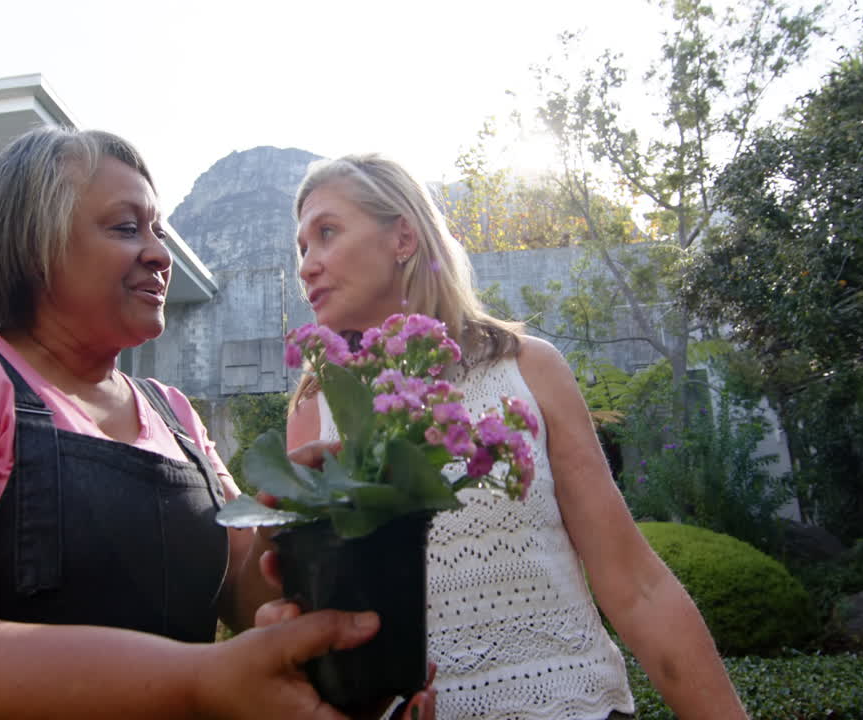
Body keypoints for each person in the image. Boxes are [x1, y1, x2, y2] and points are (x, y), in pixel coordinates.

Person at [0, 127, 432, 719]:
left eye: (157, 230)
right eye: (127, 228)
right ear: (34, 240)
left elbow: (247, 595)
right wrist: (196, 684)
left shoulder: (173, 412)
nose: (160, 254)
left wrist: (294, 525)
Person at [285, 153, 749, 720]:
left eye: (327, 232)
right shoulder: (315, 411)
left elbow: (634, 584)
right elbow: (316, 622)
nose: (307, 264)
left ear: (402, 236)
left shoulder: (526, 368)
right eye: (302, 247)